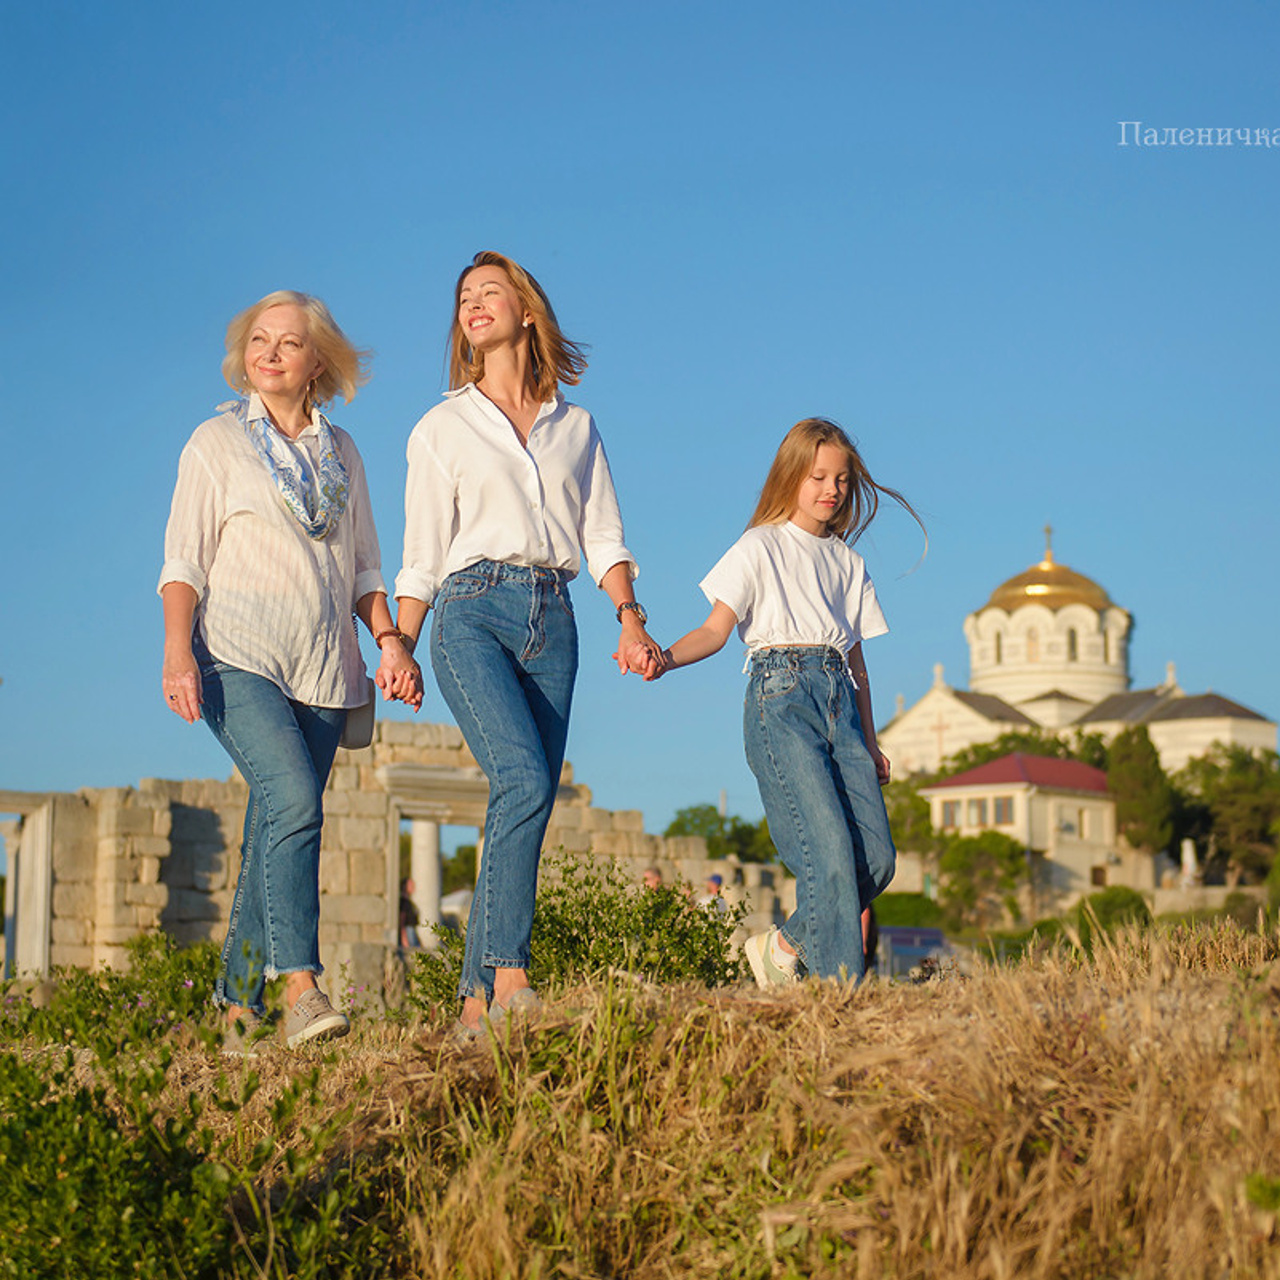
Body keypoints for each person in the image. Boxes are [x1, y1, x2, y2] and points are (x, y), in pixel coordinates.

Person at [393, 251, 661, 1035]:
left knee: (527, 803)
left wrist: (631, 617)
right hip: (471, 612)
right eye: (464, 298)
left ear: (527, 311)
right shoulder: (441, 425)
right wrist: (400, 644)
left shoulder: (575, 426)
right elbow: (421, 553)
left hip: (558, 616)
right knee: (523, 779)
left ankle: (471, 1003)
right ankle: (510, 980)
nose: (473, 304)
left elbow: (603, 532)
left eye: (489, 292)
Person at [159, 290, 422, 1051]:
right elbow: (183, 560)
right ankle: (300, 988)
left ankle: (235, 1005)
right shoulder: (215, 444)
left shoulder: (344, 453)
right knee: (295, 799)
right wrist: (178, 651)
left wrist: (391, 642)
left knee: (275, 823)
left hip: (324, 666)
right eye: (258, 340)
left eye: (288, 343)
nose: (269, 353)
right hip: (233, 653)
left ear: (318, 364)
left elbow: (367, 568)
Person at [624, 418, 920, 985]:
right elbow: (714, 630)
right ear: (791, 477)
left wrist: (872, 739)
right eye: (818, 477)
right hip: (780, 696)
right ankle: (840, 995)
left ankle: (784, 945)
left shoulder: (849, 563)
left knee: (877, 859)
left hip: (840, 700)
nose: (831, 490)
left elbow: (857, 664)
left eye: (840, 479)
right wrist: (663, 657)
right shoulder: (759, 546)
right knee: (829, 851)